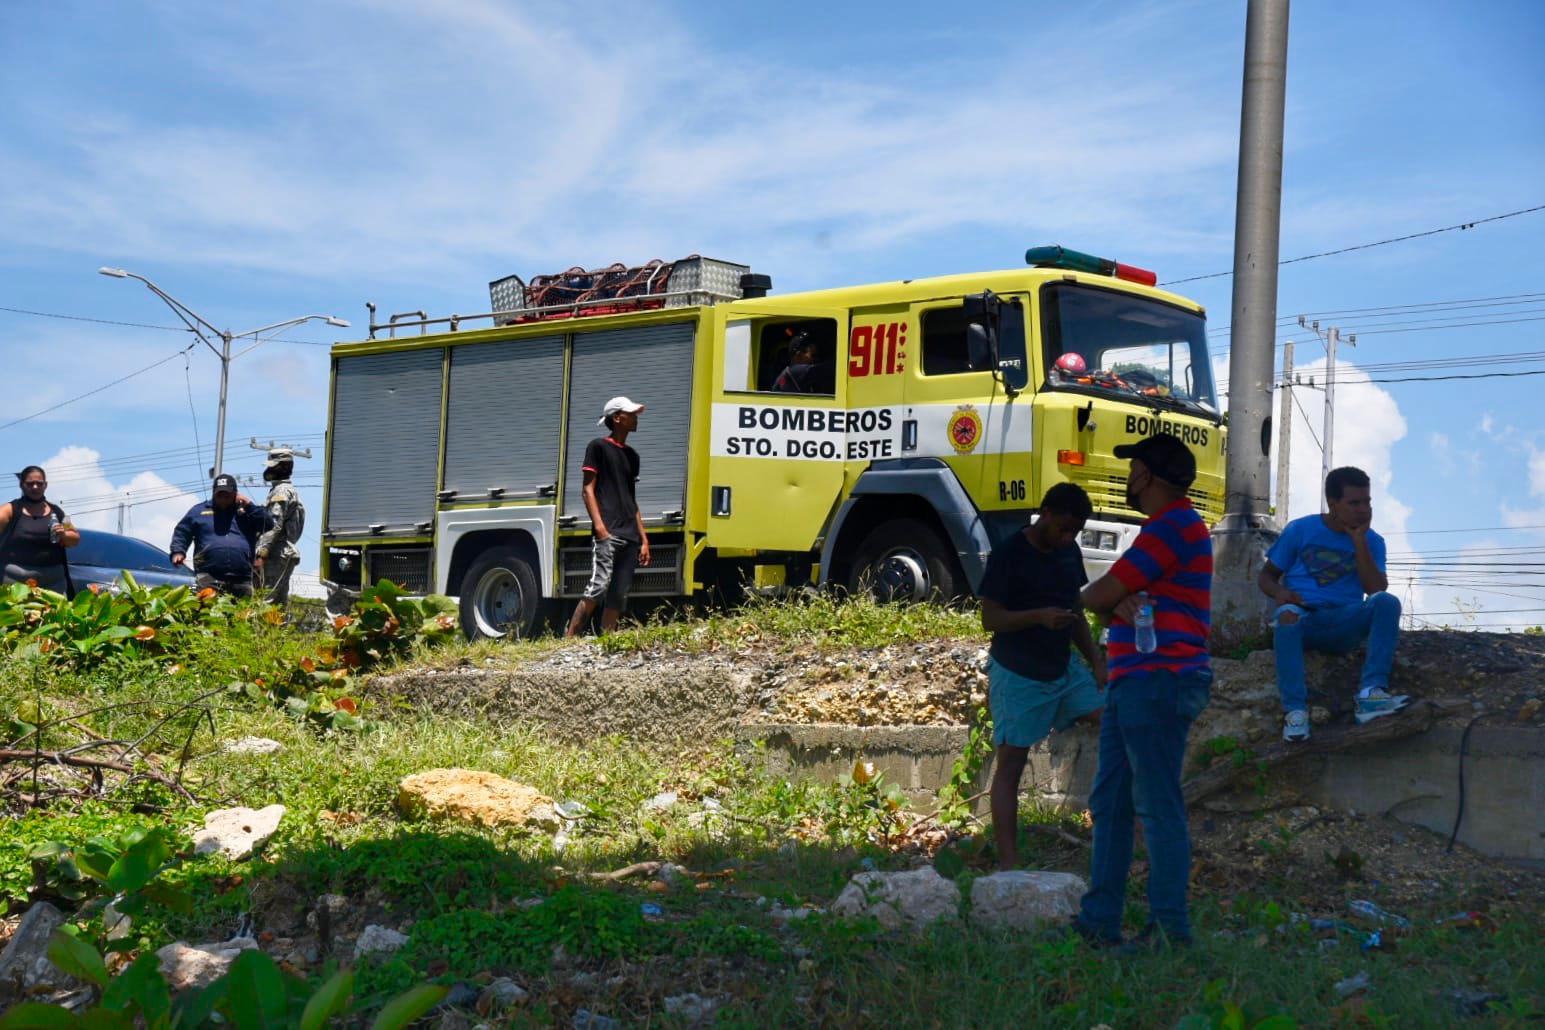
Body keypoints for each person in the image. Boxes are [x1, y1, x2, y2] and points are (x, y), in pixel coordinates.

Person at [1072, 433, 1212, 950]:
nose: (1129, 477)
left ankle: (1170, 931)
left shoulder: (1171, 527)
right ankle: (1100, 920)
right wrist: (1114, 601)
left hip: (1158, 680)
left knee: (1155, 804)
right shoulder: (1170, 528)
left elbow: (1095, 592)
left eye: (1134, 469)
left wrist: (1111, 598)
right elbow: (1108, 598)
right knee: (1110, 801)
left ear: (1147, 476)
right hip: (1137, 681)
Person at [979, 482, 1105, 870]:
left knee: (1116, 723)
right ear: (1046, 514)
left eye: (1075, 531)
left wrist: (1097, 662)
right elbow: (990, 618)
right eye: (1063, 528)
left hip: (1064, 670)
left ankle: (1117, 833)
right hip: (1018, 672)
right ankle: (1009, 864)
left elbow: (1076, 612)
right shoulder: (1008, 554)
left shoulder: (1068, 552)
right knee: (1012, 764)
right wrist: (1038, 617)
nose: (1068, 537)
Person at [1259, 466, 1404, 741]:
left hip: (1344, 622)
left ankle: (1371, 694)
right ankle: (1295, 714)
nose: (1363, 509)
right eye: (1354, 503)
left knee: (1387, 602)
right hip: (1305, 618)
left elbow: (1375, 590)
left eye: (1367, 502)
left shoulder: (1373, 541)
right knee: (1287, 615)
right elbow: (1266, 577)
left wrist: (1359, 541)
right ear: (1333, 503)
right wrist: (1279, 592)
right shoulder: (1301, 530)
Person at [566, 397, 652, 637]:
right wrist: (600, 527)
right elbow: (587, 490)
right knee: (598, 586)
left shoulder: (633, 456)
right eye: (631, 414)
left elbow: (631, 499)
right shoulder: (598, 447)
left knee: (618, 593)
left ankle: (607, 640)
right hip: (609, 532)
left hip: (630, 535)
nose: (636, 418)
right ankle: (569, 640)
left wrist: (644, 539)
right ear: (617, 418)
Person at [169, 474, 272, 597]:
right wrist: (178, 551)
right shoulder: (199, 511)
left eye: (227, 495)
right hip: (208, 578)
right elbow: (182, 531)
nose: (223, 498)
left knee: (240, 615)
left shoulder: (248, 511)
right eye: (220, 495)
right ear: (213, 493)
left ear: (235, 494)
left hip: (242, 579)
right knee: (207, 614)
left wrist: (249, 505)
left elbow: (268, 525)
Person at [0, 466, 80, 593]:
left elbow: (75, 539)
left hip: (54, 585)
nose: (35, 487)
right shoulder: (9, 510)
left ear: (45, 485)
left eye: (39, 483)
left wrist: (64, 534)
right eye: (30, 484)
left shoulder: (56, 512)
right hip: (15, 583)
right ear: (21, 485)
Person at [254, 448, 305, 605]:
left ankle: (262, 629)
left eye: (273, 466)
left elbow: (274, 525)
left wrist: (261, 554)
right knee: (278, 604)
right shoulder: (285, 490)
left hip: (275, 553)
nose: (268, 469)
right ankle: (278, 629)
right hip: (283, 552)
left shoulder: (281, 491)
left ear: (284, 467)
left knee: (264, 601)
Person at [771, 329, 835, 394]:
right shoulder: (796, 371)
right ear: (798, 355)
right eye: (813, 356)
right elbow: (831, 367)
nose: (815, 360)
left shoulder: (791, 373)